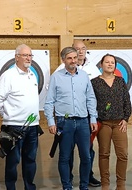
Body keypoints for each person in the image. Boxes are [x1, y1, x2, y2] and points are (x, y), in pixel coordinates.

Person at [44, 46, 98, 190]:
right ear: (63, 60)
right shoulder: (56, 77)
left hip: (83, 122)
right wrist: (50, 121)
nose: (73, 60)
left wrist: (93, 118)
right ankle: (67, 186)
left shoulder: (84, 76)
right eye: (69, 58)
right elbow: (49, 101)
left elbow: (90, 98)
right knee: (64, 157)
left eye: (75, 58)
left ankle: (84, 186)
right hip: (64, 122)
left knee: (86, 157)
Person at [0, 44, 40, 190]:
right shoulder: (8, 75)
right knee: (13, 161)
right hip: (13, 126)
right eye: (25, 55)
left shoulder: (32, 74)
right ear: (16, 57)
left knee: (30, 160)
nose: (28, 58)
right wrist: (8, 116)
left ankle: (29, 187)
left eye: (30, 55)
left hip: (32, 126)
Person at [91, 54, 131, 190]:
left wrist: (126, 119)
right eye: (107, 62)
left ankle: (121, 184)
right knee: (104, 154)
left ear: (115, 65)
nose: (109, 64)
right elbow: (91, 103)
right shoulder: (94, 82)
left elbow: (127, 101)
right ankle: (105, 184)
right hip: (103, 123)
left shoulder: (120, 81)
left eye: (112, 62)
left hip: (119, 123)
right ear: (101, 65)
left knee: (123, 154)